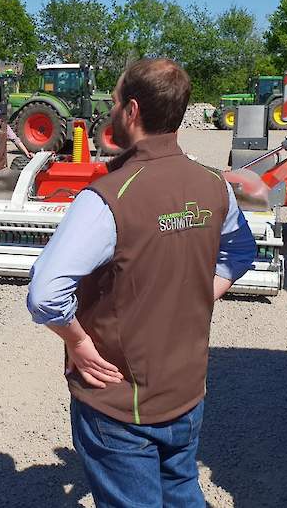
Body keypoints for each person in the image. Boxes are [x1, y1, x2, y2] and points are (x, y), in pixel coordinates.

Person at [26, 58, 257, 507]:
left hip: (120, 400)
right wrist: (202, 295)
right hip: (187, 392)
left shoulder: (108, 196)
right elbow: (240, 252)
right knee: (182, 493)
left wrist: (77, 342)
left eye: (114, 102)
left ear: (131, 111)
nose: (112, 111)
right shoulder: (214, 184)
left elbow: (45, 293)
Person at [0, 104, 32, 170]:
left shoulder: (5, 127)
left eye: (1, 117)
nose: (0, 119)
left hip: (1, 166)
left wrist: (27, 152)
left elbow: (16, 140)